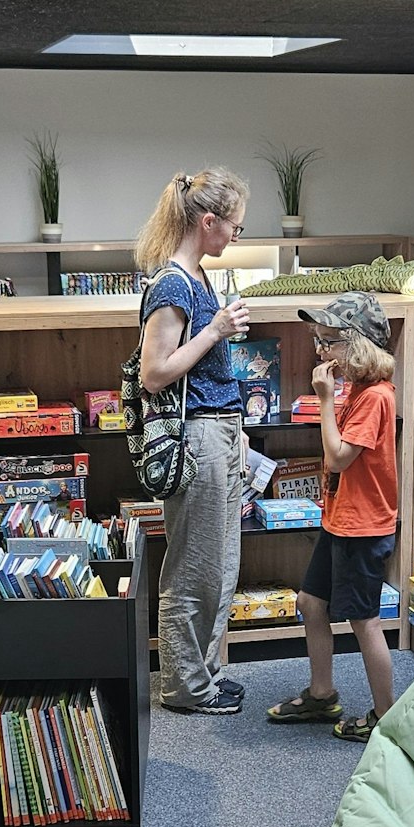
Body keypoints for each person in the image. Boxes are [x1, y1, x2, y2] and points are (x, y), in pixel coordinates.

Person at [135, 168, 252, 714]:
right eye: (235, 226)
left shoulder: (198, 276)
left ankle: (203, 674)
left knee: (220, 564)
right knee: (194, 566)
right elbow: (153, 373)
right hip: (198, 435)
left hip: (220, 428)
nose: (235, 236)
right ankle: (185, 686)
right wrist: (215, 331)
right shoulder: (172, 284)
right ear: (208, 221)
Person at [266, 293, 398, 741]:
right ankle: (322, 695)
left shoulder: (375, 396)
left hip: (363, 527)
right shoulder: (358, 389)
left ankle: (385, 718)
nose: (321, 351)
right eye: (319, 340)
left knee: (365, 621)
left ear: (358, 345)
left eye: (330, 341)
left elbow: (339, 457)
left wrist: (325, 400)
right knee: (310, 602)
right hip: (340, 520)